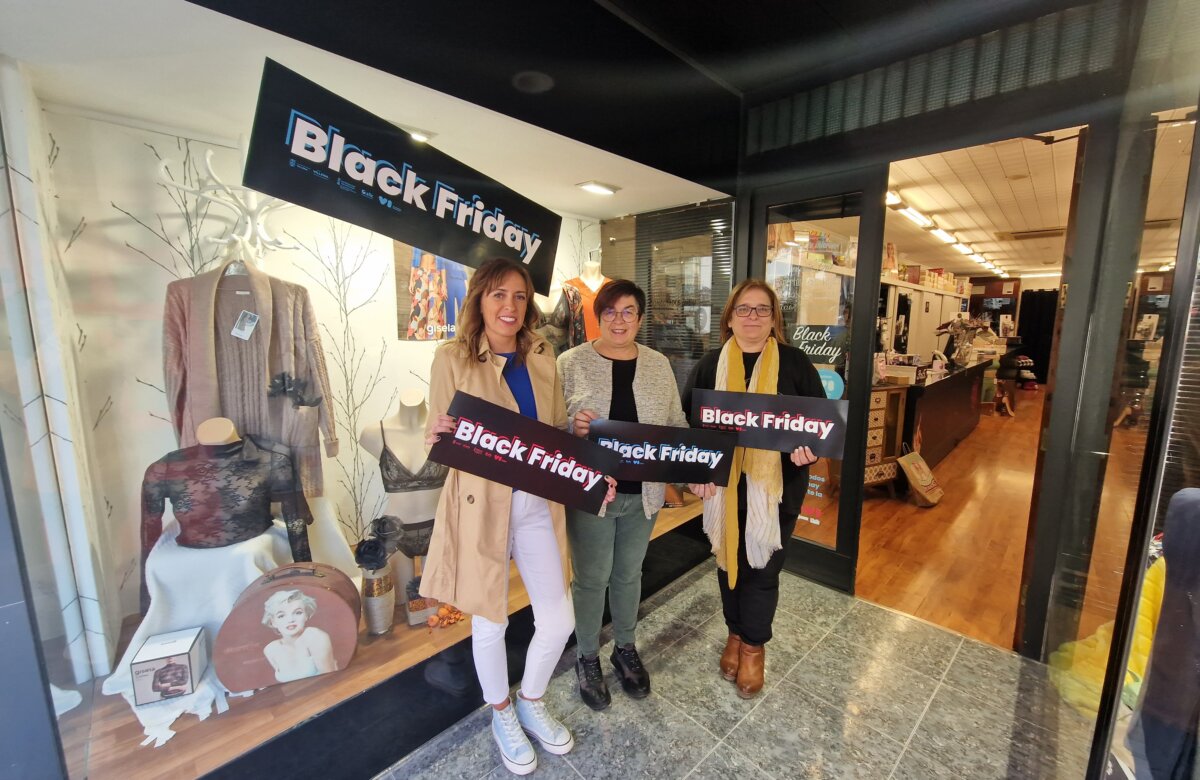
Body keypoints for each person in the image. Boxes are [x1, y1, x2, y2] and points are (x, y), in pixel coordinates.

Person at [423, 257, 615, 776]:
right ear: (480, 299)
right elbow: (438, 436)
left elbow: (552, 434)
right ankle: (501, 712)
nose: (510, 306)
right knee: (490, 618)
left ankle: (530, 699)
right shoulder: (452, 357)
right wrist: (435, 431)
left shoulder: (541, 355)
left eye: (520, 296)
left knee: (558, 618)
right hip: (481, 507)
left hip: (536, 505)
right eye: (498, 294)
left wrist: (579, 439)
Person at [681, 279, 823, 699]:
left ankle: (753, 647)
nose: (753, 317)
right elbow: (688, 423)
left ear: (774, 318)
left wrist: (809, 450)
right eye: (743, 309)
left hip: (774, 490)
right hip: (724, 489)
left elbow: (821, 426)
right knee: (728, 564)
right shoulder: (709, 366)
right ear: (729, 318)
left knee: (762, 570)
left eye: (763, 309)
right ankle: (734, 633)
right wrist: (694, 468)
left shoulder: (795, 364)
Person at [558, 279, 687, 711]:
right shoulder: (570, 362)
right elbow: (550, 430)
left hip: (643, 495)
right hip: (592, 495)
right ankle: (587, 656)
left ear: (640, 318)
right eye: (610, 311)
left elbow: (675, 424)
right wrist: (573, 428)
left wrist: (699, 468)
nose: (619, 320)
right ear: (598, 316)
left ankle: (625, 647)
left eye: (628, 311)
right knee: (591, 578)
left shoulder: (658, 365)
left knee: (629, 574)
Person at [261, 589, 336, 683]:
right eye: (281, 616)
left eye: (298, 613)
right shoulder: (271, 649)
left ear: (306, 615)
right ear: (273, 622)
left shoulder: (315, 636)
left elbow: (330, 679)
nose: (290, 620)